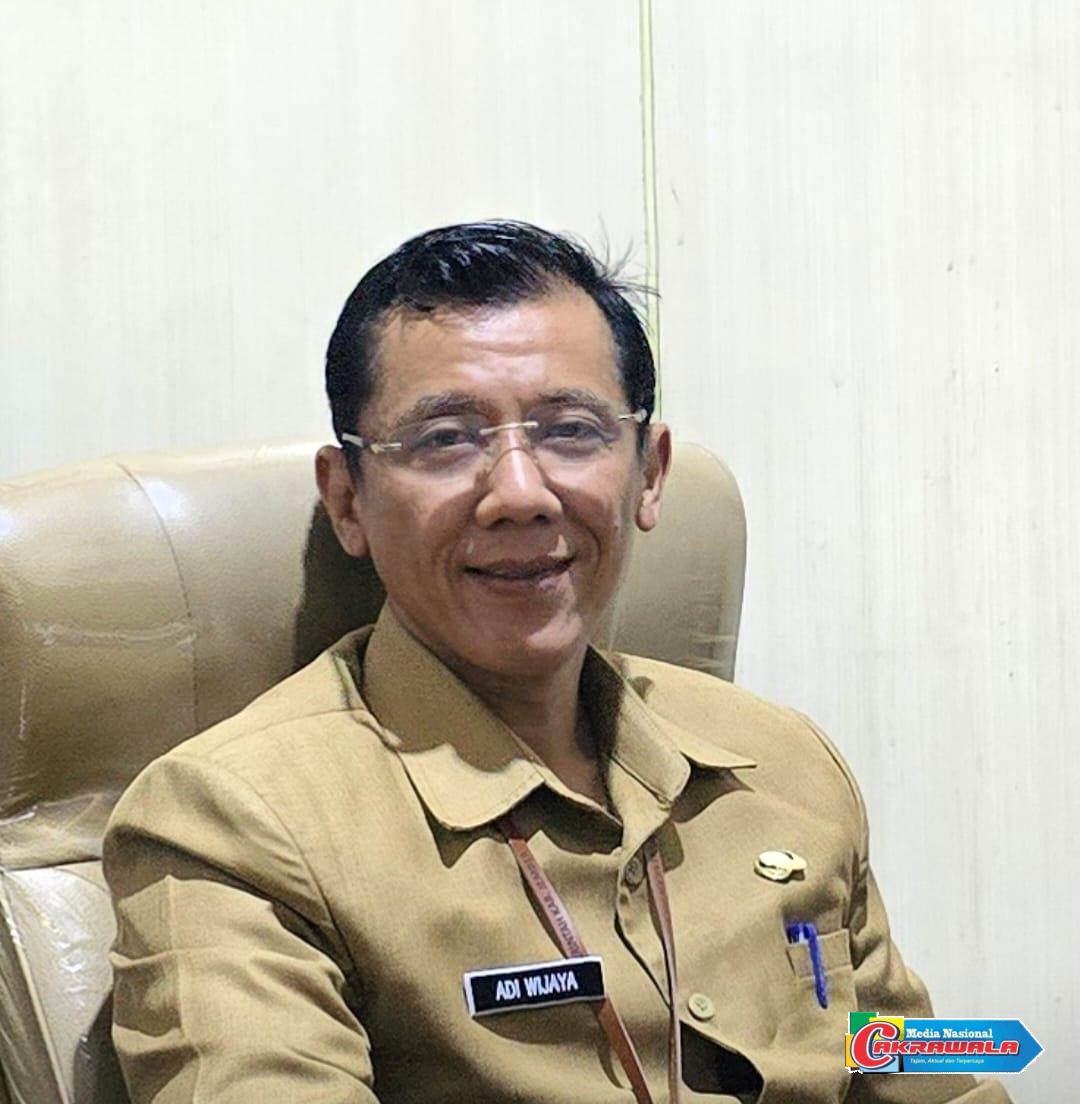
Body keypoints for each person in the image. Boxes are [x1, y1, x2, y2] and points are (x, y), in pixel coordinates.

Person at [104, 221, 1009, 1103]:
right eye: (445, 439)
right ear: (347, 501)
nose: (520, 493)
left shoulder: (784, 760)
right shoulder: (232, 825)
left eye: (570, 430)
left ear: (649, 473)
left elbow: (926, 1064)